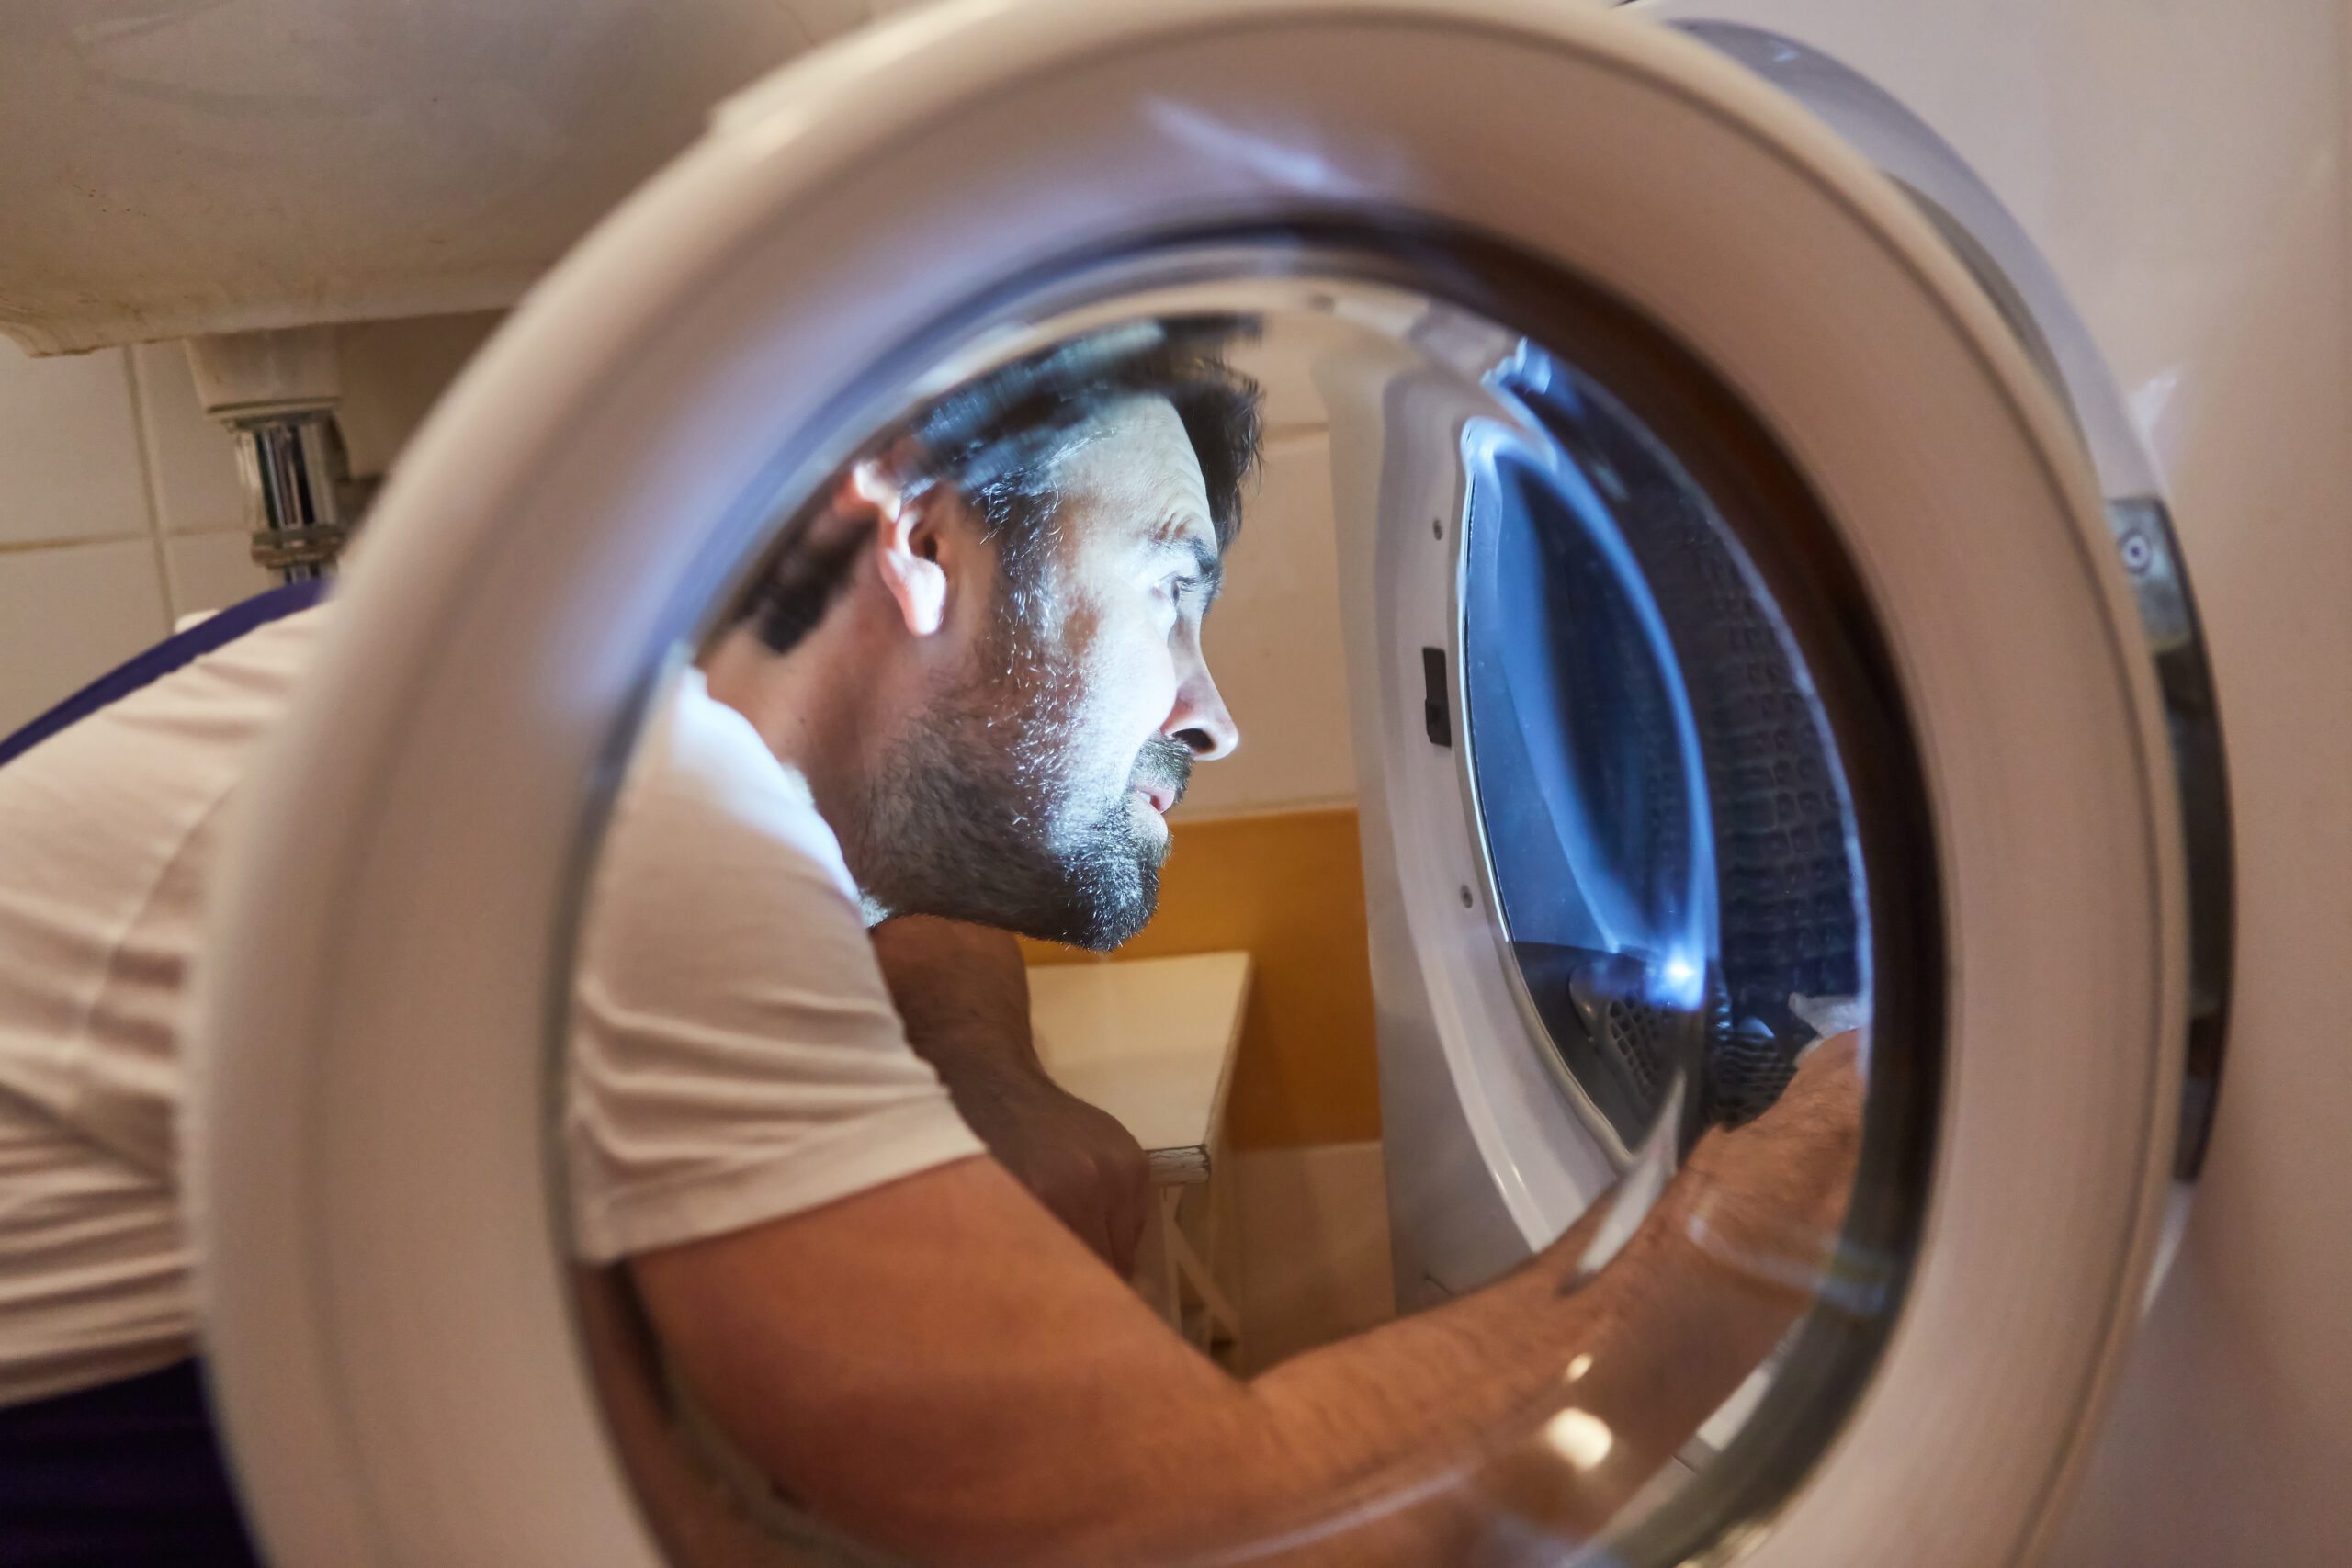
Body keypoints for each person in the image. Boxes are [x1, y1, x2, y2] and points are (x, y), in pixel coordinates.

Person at [0, 319, 1860, 1566]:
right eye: (1170, 593)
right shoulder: (621, 807)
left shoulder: (548, 688)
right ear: (915, 544)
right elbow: (1200, 1545)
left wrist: (973, 1070)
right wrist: (1768, 1212)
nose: (1213, 715)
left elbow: (894, 850)